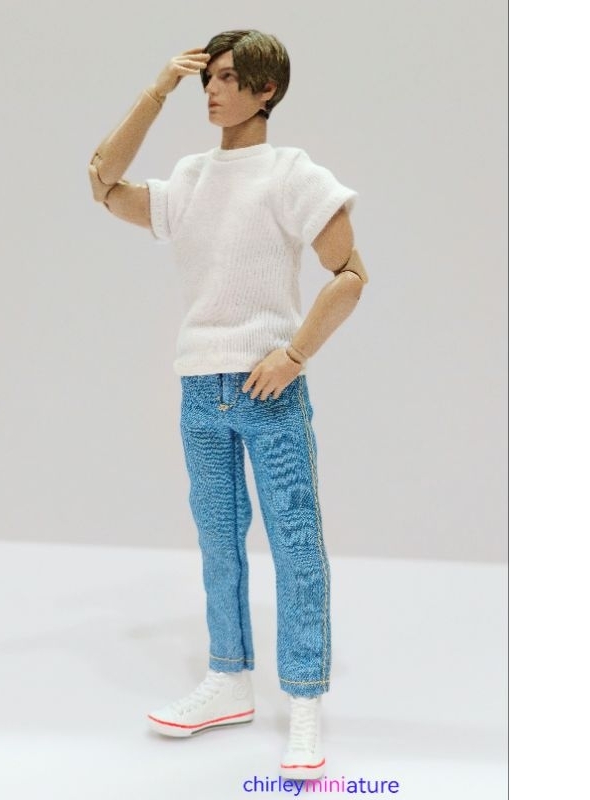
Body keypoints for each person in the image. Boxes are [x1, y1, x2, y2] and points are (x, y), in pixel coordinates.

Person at [88, 29, 368, 780]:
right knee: (218, 541)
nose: (211, 90)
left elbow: (348, 274)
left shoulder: (291, 174)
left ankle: (303, 698)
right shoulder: (190, 178)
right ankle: (228, 677)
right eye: (206, 78)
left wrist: (294, 353)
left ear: (265, 89)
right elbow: (104, 183)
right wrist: (157, 90)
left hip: (268, 389)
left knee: (295, 542)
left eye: (226, 78)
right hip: (199, 387)